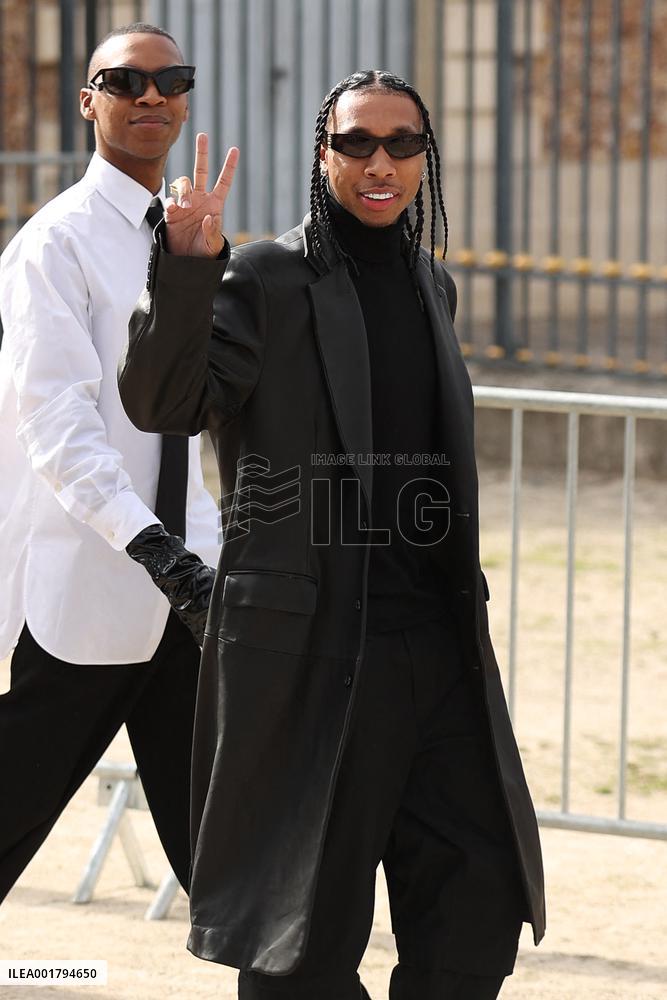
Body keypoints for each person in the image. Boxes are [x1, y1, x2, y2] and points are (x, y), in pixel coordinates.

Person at [118, 70, 546, 1000]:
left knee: (474, 911)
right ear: (324, 156)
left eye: (401, 143)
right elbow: (166, 401)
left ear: (425, 158)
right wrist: (185, 272)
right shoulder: (267, 276)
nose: (379, 162)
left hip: (438, 653)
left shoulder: (434, 283)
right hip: (315, 655)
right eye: (356, 143)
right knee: (298, 941)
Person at [0, 22, 219, 903]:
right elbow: (57, 422)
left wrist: (201, 554)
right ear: (87, 100)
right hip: (86, 599)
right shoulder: (54, 245)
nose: (151, 97)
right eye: (125, 82)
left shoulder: (187, 236)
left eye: (170, 80)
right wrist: (148, 542)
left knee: (233, 856)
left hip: (189, 601)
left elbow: (188, 428)